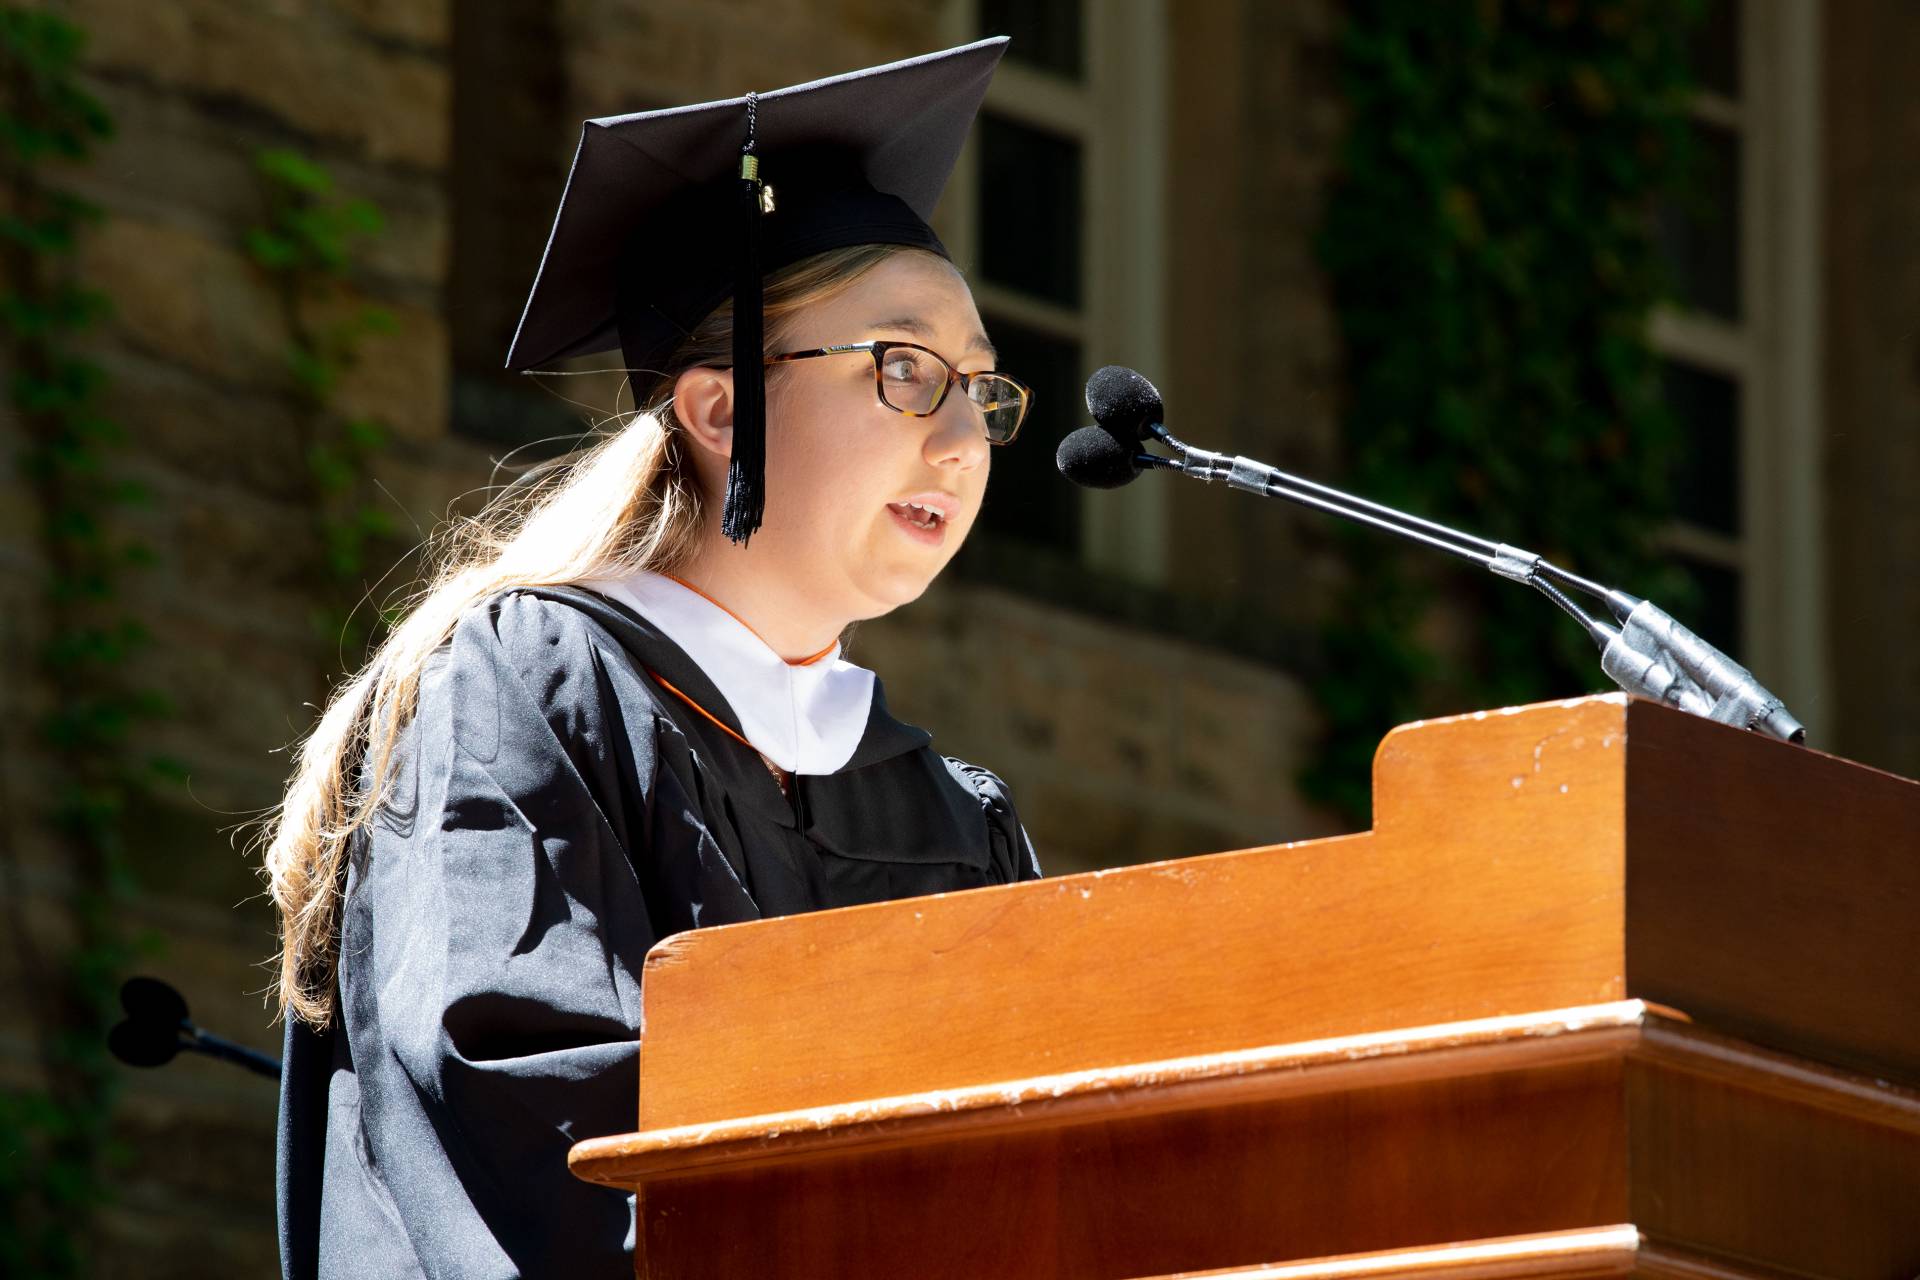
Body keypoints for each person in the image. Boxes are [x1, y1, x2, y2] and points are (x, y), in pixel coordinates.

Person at [263, 39, 1041, 1280]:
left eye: (986, 391)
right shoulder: (526, 688)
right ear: (721, 408)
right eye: (905, 368)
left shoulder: (951, 815)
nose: (962, 438)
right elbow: (534, 1114)